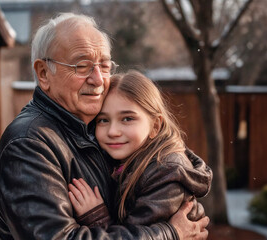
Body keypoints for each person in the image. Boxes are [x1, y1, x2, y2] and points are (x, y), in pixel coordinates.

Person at [0, 13, 209, 239]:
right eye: (82, 66)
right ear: (44, 73)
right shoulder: (29, 144)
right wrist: (169, 234)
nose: (98, 79)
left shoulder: (94, 131)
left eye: (104, 66)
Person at [67, 71, 212, 229]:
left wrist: (97, 219)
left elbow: (139, 234)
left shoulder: (167, 173)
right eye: (103, 120)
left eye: (127, 119)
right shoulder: (121, 163)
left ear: (155, 126)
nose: (112, 131)